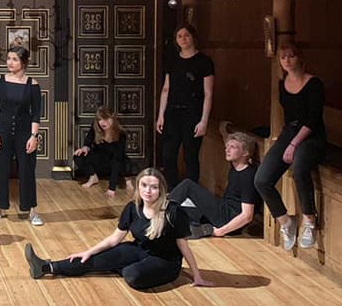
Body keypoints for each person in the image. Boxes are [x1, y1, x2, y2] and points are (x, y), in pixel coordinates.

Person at [24, 168, 209, 290]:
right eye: (144, 186)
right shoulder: (132, 207)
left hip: (165, 261)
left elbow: (183, 245)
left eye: (154, 187)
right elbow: (114, 239)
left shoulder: (173, 211)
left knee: (132, 276)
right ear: (138, 186)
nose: (148, 191)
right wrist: (88, 251)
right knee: (92, 259)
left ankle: (120, 267)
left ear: (161, 190)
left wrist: (197, 276)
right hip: (139, 250)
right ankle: (46, 267)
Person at [254, 42, 326, 251]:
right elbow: (289, 119)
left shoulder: (314, 83)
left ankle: (310, 220)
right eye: (283, 57)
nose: (287, 60)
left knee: (299, 167)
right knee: (261, 179)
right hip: (291, 132)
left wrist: (293, 145)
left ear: (300, 58)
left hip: (312, 135)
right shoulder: (282, 83)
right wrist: (286, 141)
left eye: (291, 56)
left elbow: (312, 121)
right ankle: (286, 221)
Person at [0, 46, 43, 226]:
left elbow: (36, 114)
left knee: (26, 169)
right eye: (8, 59)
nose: (10, 62)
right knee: (1, 169)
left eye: (14, 59)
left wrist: (33, 136)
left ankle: (32, 211)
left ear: (23, 62)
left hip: (25, 132)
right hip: (3, 130)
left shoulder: (32, 84)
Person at [170, 127, 260, 239]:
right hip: (223, 211)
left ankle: (160, 212)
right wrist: (223, 131)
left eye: (232, 147)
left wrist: (221, 231)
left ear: (246, 153)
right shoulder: (236, 167)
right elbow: (230, 146)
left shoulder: (248, 176)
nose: (227, 150)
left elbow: (247, 215)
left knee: (188, 185)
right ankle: (200, 228)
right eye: (227, 147)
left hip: (228, 219)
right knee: (183, 209)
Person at [155, 24, 214, 188]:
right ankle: (171, 191)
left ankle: (190, 193)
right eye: (179, 36)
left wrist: (204, 121)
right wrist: (161, 115)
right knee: (168, 155)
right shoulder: (172, 60)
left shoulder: (204, 61)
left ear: (193, 37)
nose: (183, 39)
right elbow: (166, 89)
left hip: (193, 114)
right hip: (172, 113)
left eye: (186, 35)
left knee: (191, 156)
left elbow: (208, 93)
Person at [72, 106, 137, 199]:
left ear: (112, 119)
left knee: (126, 163)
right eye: (100, 119)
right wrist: (85, 148)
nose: (102, 122)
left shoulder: (120, 134)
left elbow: (117, 159)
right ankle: (93, 177)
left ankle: (128, 179)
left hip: (116, 162)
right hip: (101, 160)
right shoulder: (95, 128)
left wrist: (112, 188)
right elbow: (88, 142)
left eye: (106, 119)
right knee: (78, 156)